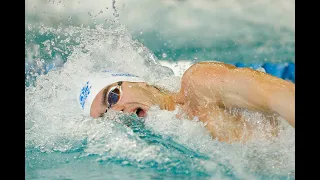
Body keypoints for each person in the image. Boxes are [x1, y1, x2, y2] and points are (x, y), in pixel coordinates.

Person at [78, 61, 295, 143]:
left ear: (138, 82)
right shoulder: (172, 144)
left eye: (112, 96)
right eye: (106, 116)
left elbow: (285, 98)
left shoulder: (199, 84)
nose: (117, 111)